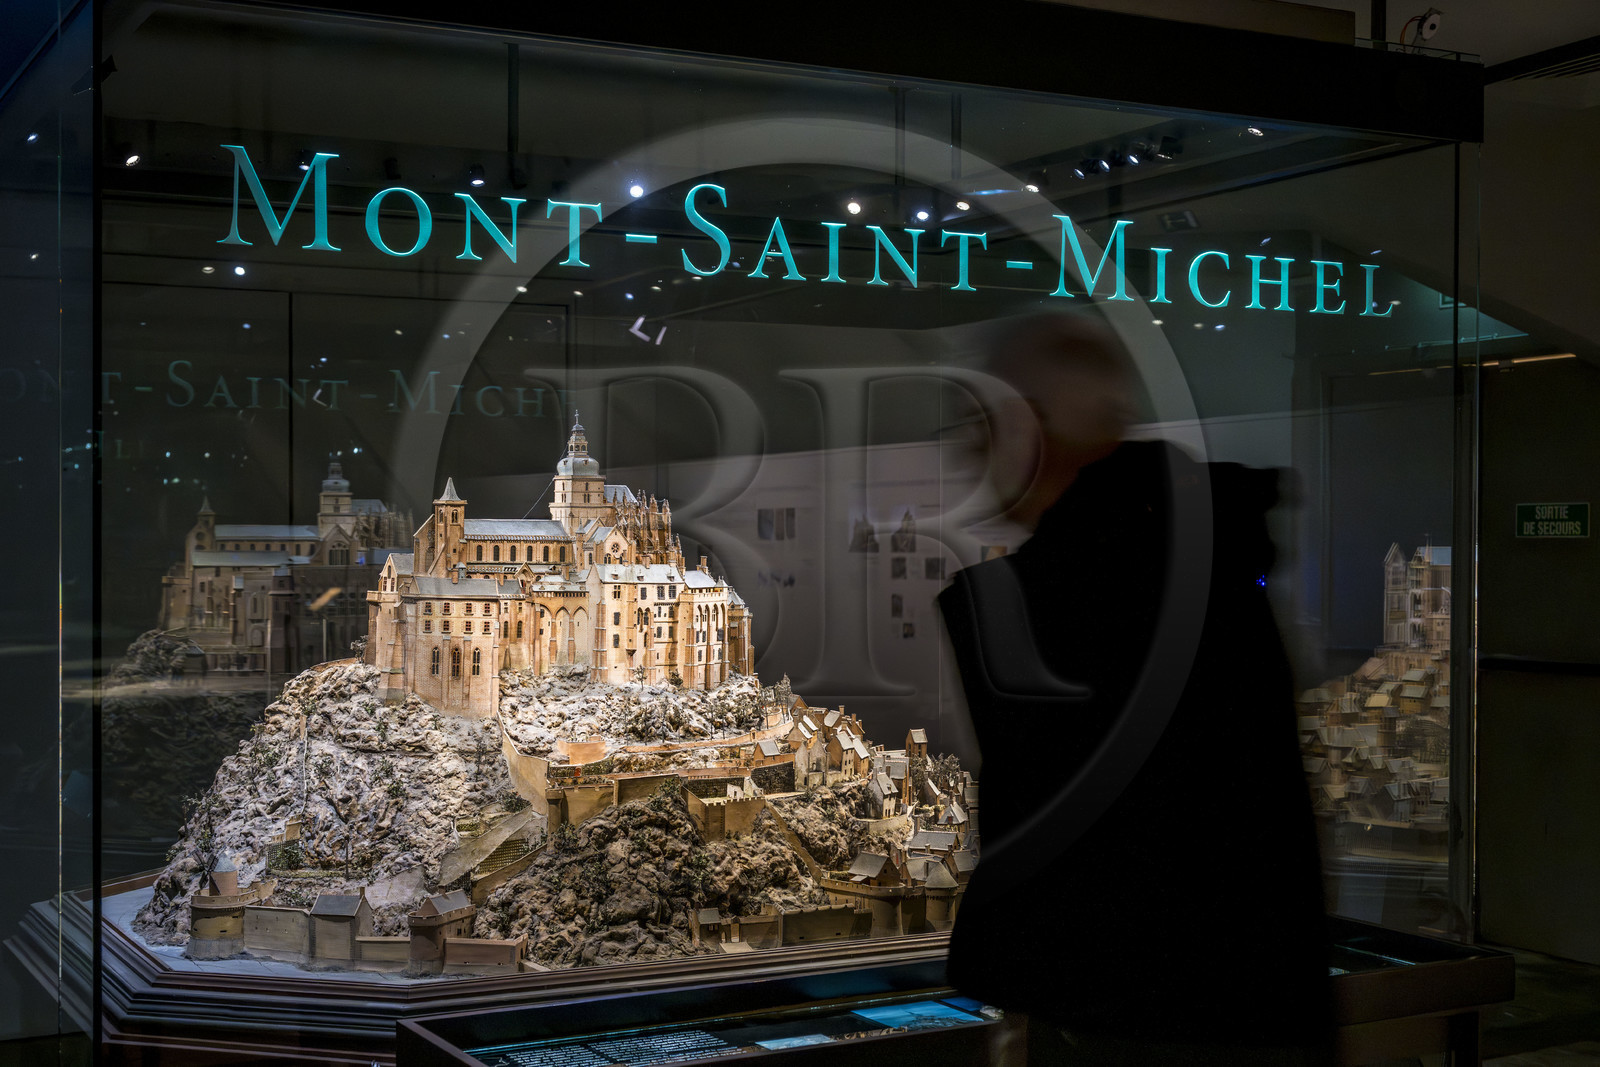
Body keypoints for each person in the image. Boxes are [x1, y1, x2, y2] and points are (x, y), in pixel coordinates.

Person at [938, 314, 1333, 1065]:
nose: (970, 448)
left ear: (1033, 428)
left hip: (1147, 1024)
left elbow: (1070, 845)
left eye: (983, 422)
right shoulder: (1201, 561)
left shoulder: (1079, 597)